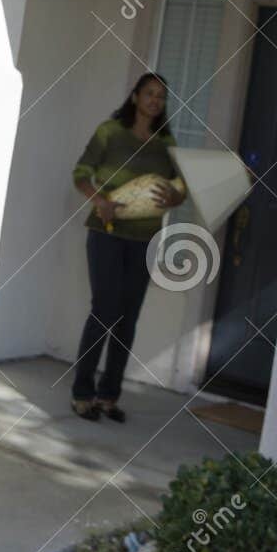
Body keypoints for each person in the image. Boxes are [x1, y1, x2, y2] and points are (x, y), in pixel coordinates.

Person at [68, 72, 182, 422]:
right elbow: (81, 173)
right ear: (135, 96)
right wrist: (99, 200)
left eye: (161, 96)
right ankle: (82, 392)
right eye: (149, 93)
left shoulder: (165, 141)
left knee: (127, 317)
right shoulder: (110, 132)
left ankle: (109, 396)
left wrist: (177, 195)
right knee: (104, 310)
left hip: (144, 238)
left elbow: (180, 185)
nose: (154, 101)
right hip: (106, 233)